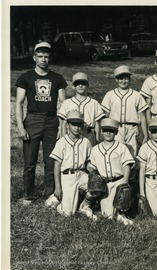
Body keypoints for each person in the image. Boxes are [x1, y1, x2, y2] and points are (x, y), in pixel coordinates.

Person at [15, 41, 67, 205]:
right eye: (40, 56)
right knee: (30, 161)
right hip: (33, 119)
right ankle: (29, 194)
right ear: (34, 57)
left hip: (52, 120)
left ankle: (50, 194)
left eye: (46, 56)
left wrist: (62, 126)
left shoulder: (57, 78)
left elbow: (63, 104)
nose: (43, 59)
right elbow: (19, 103)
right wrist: (21, 126)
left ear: (50, 58)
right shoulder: (26, 77)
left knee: (51, 160)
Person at [44, 110, 95, 219]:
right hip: (67, 176)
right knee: (68, 214)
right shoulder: (61, 142)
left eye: (79, 124)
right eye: (74, 124)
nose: (77, 127)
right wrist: (58, 187)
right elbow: (57, 165)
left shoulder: (85, 141)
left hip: (81, 174)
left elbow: (87, 162)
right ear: (67, 125)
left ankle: (85, 205)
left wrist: (92, 171)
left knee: (97, 184)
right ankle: (55, 201)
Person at [87, 118, 135, 224]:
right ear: (101, 132)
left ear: (116, 132)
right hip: (105, 184)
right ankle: (88, 205)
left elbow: (127, 165)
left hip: (119, 181)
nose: (108, 133)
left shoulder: (121, 147)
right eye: (105, 130)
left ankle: (122, 214)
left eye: (111, 130)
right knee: (108, 216)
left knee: (120, 205)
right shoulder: (95, 149)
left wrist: (125, 182)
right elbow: (92, 167)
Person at [101, 65, 148, 156]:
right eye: (120, 79)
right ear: (116, 79)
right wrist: (103, 131)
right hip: (116, 128)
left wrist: (145, 135)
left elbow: (142, 116)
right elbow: (106, 115)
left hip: (132, 129)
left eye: (126, 78)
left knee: (132, 155)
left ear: (130, 79)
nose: (123, 81)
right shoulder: (110, 94)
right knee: (116, 153)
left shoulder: (136, 95)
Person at [57, 72, 105, 146]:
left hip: (88, 133)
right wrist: (63, 141)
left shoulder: (94, 103)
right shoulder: (67, 103)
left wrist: (97, 142)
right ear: (73, 86)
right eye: (77, 83)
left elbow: (97, 124)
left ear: (87, 85)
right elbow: (63, 124)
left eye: (83, 83)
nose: (80, 86)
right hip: (71, 135)